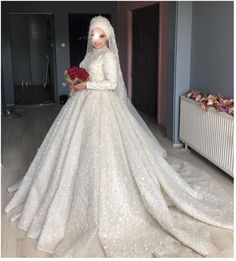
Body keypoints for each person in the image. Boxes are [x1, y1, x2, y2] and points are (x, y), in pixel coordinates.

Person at [4, 15, 233, 258]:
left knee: (108, 152)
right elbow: (84, 75)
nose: (97, 39)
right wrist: (75, 82)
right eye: (94, 34)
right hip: (82, 107)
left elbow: (112, 84)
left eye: (102, 35)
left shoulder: (109, 57)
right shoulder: (90, 55)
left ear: (108, 37)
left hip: (104, 107)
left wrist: (86, 86)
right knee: (72, 150)